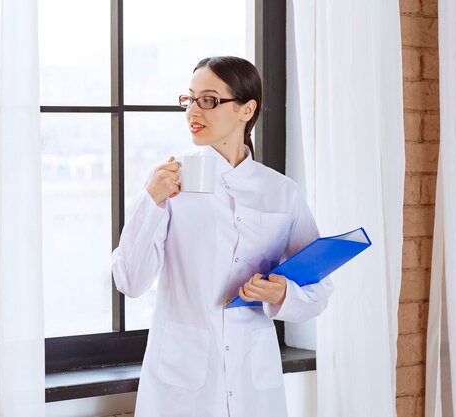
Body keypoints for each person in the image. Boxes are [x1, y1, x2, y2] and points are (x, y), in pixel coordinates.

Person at [111, 56, 334, 417]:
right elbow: (130, 281)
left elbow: (319, 289)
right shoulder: (169, 183)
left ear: (247, 110)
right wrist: (149, 200)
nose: (193, 111)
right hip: (181, 385)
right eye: (190, 99)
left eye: (209, 100)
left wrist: (283, 294)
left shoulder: (281, 192)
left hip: (253, 378)